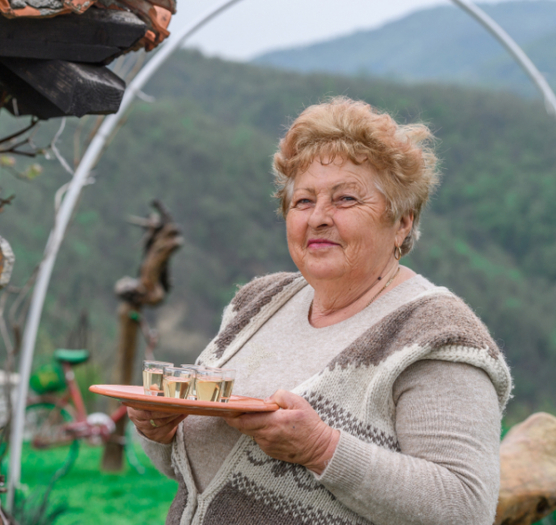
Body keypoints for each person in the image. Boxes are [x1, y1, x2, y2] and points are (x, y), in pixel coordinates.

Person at [128, 97, 513, 525]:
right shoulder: (257, 302)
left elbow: (465, 508)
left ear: (402, 221)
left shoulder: (438, 335)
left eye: (345, 199)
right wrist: (161, 432)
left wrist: (322, 449)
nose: (319, 218)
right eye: (304, 201)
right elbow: (201, 468)